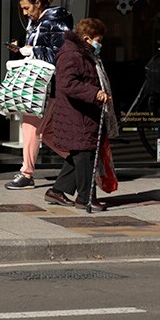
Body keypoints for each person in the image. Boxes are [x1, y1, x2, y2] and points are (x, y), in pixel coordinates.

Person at [41, 18, 119, 211]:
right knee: (85, 156)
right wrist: (95, 93)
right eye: (98, 40)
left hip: (84, 113)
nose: (100, 44)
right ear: (87, 38)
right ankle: (85, 198)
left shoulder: (84, 53)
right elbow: (67, 84)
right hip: (77, 115)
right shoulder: (71, 54)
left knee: (81, 154)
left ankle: (57, 190)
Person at [4, 0, 73, 190]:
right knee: (47, 132)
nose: (25, 13)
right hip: (41, 83)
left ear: (38, 3)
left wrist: (29, 50)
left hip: (47, 84)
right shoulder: (37, 23)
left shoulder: (54, 22)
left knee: (30, 125)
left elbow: (61, 53)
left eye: (27, 8)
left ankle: (26, 174)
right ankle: (81, 160)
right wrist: (22, 49)